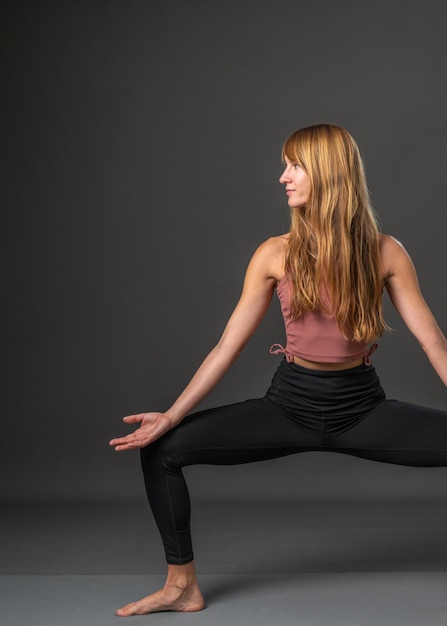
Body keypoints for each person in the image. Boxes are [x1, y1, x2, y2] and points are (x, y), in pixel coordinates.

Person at [109, 123, 447, 617]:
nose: (282, 177)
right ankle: (181, 586)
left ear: (328, 175)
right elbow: (227, 345)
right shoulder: (275, 252)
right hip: (288, 406)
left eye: (295, 166)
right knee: (162, 449)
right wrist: (172, 414)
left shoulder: (385, 251)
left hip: (363, 409)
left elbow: (433, 342)